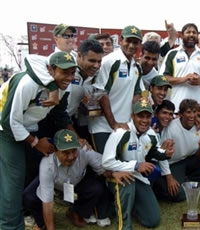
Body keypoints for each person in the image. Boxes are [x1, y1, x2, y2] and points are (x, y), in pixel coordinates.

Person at [0, 51, 80, 230]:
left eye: (73, 72)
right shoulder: (27, 83)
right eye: (64, 72)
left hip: (27, 127)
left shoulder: (66, 86)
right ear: (50, 70)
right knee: (13, 181)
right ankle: (10, 226)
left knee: (31, 173)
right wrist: (35, 142)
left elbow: (60, 113)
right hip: (6, 130)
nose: (69, 77)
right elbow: (7, 121)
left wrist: (77, 137)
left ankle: (29, 214)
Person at [22, 129, 121, 229]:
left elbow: (104, 168)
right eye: (65, 153)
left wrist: (115, 173)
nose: (70, 157)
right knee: (29, 197)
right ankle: (42, 224)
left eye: (74, 151)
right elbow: (47, 202)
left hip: (78, 181)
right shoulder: (47, 164)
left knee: (96, 188)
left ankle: (76, 212)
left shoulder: (84, 150)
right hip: (54, 184)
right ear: (55, 150)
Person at [102, 99, 174, 230]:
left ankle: (128, 203)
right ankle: (124, 225)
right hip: (115, 177)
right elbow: (106, 162)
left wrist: (165, 153)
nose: (144, 120)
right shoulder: (121, 133)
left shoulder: (151, 134)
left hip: (138, 177)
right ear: (132, 116)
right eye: (140, 116)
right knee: (127, 180)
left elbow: (155, 152)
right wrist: (135, 166)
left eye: (148, 116)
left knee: (152, 220)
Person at [89, 25, 144, 153]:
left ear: (139, 44)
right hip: (103, 127)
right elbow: (101, 94)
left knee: (121, 168)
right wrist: (113, 123)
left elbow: (137, 95)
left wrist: (138, 120)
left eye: (135, 42)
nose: (131, 45)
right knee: (105, 170)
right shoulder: (109, 61)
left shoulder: (137, 67)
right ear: (120, 41)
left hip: (125, 127)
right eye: (128, 41)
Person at [153, 99, 200, 202]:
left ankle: (186, 181)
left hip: (190, 159)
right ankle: (160, 187)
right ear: (181, 114)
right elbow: (162, 155)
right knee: (180, 195)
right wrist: (169, 178)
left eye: (194, 111)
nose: (192, 115)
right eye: (188, 112)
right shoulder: (171, 127)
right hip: (173, 163)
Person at [160, 23, 200, 114]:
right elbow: (163, 78)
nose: (191, 34)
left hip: (199, 108)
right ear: (182, 35)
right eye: (188, 32)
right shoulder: (172, 54)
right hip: (176, 106)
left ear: (197, 35)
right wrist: (184, 79)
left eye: (194, 32)